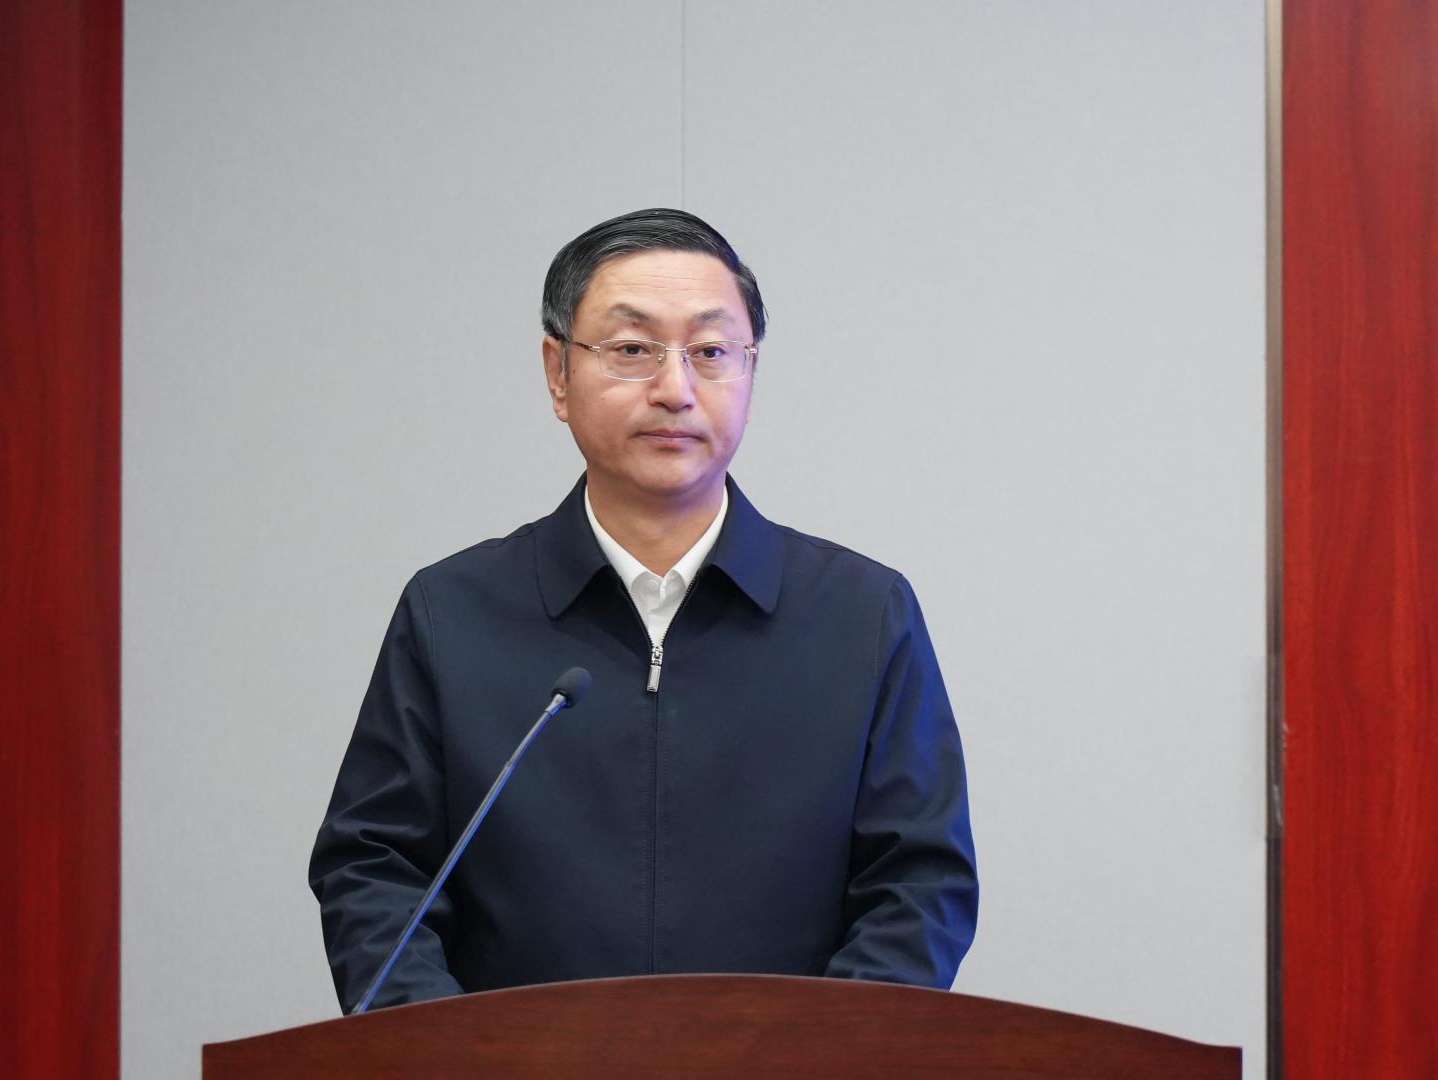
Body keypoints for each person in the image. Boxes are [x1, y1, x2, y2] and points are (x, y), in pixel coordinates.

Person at [309, 208, 978, 1012]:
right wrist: (454, 1056)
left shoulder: (862, 616)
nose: (674, 389)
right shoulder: (452, 614)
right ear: (558, 373)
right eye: (631, 349)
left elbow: (918, 885)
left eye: (710, 352)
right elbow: (376, 872)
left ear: (750, 374)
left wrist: (817, 1057)